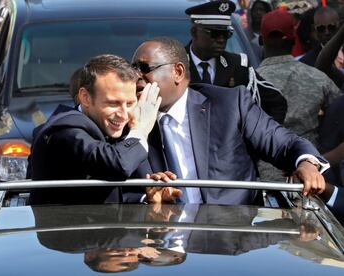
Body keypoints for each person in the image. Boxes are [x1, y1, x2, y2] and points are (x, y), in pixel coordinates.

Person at [131, 36, 329, 205]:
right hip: (162, 238)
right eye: (133, 69)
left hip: (231, 233)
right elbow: (118, 189)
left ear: (178, 72)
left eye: (144, 68)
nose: (136, 76)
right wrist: (149, 200)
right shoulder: (127, 119)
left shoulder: (230, 104)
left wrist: (307, 164)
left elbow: (284, 143)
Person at [29, 54, 170, 205]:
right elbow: (118, 165)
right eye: (113, 103)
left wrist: (146, 198)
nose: (123, 115)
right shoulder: (64, 131)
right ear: (85, 98)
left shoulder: (110, 127)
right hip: (68, 228)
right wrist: (141, 130)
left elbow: (104, 196)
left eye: (130, 104)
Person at [256, 9, 341, 181]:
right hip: (309, 177)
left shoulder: (250, 81)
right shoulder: (318, 78)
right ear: (294, 39)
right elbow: (339, 113)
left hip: (262, 179)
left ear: (261, 40)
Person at [185, 0, 287, 124]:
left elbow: (276, 101)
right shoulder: (175, 65)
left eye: (226, 34)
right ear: (194, 32)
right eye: (215, 33)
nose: (221, 40)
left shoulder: (237, 65)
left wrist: (261, 137)